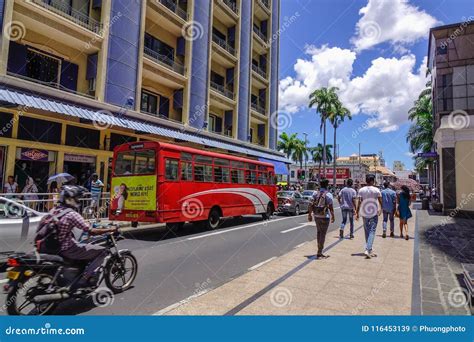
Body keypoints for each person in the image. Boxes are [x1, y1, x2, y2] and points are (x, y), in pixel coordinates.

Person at [49, 185, 117, 287]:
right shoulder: (72, 214)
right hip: (67, 248)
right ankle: (85, 277)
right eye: (76, 198)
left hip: (54, 247)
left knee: (81, 243)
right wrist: (110, 229)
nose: (78, 200)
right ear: (70, 199)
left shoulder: (53, 210)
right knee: (103, 251)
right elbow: (91, 231)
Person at [356, 174, 382, 259]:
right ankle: (368, 249)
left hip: (364, 212)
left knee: (367, 231)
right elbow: (380, 201)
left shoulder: (361, 190)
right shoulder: (376, 190)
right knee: (372, 231)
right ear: (372, 181)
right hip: (373, 212)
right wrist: (381, 209)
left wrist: (357, 212)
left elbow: (359, 202)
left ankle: (369, 249)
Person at [308, 179, 335, 259]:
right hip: (325, 216)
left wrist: (309, 215)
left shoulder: (315, 193)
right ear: (327, 185)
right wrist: (333, 216)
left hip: (316, 215)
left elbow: (310, 204)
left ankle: (319, 250)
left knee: (319, 232)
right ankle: (319, 252)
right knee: (323, 234)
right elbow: (331, 207)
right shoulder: (329, 194)